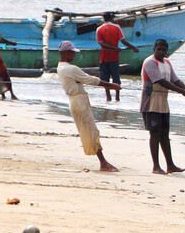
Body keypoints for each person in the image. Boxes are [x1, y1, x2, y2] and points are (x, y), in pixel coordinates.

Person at [56, 40, 121, 172]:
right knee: (91, 131)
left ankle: (103, 161)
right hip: (79, 102)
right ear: (67, 53)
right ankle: (103, 163)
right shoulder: (71, 68)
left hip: (75, 101)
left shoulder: (60, 67)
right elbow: (90, 80)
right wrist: (111, 85)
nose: (74, 56)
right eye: (72, 53)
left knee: (90, 131)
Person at [140, 39, 185, 174]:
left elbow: (175, 80)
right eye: (159, 49)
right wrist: (181, 92)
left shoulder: (167, 62)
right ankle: (156, 166)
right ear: (154, 49)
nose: (161, 52)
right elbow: (160, 80)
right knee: (155, 134)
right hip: (151, 103)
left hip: (163, 104)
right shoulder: (150, 62)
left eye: (164, 50)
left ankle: (170, 165)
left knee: (164, 135)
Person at [96, 11, 138, 102]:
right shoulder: (116, 27)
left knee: (105, 79)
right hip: (114, 58)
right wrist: (133, 47)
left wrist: (114, 48)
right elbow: (123, 41)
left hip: (104, 58)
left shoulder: (99, 29)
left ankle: (108, 97)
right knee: (116, 78)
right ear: (111, 18)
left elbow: (101, 43)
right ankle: (117, 98)